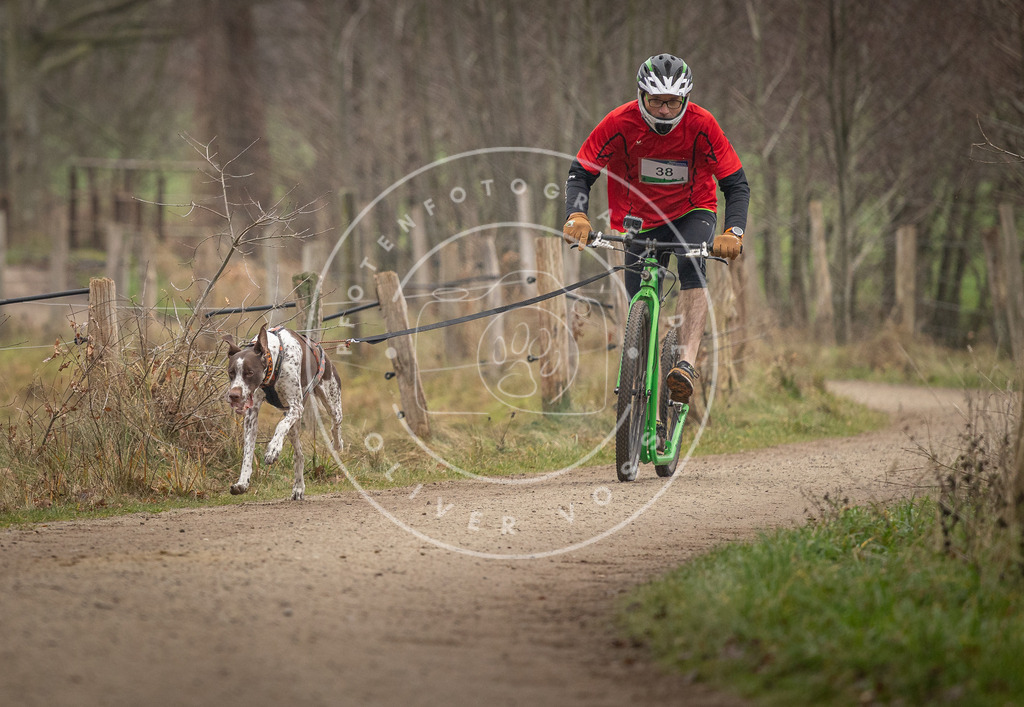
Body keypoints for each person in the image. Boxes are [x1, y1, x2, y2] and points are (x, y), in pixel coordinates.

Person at [562, 53, 749, 405]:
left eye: (673, 102)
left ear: (685, 99)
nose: (664, 110)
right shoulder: (618, 122)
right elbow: (580, 173)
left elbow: (736, 184)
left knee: (692, 261)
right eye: (656, 101)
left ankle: (685, 364)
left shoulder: (702, 124)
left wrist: (734, 231)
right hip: (637, 219)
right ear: (641, 96)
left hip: (691, 211)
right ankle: (642, 371)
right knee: (639, 303)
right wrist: (577, 216)